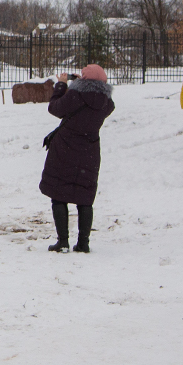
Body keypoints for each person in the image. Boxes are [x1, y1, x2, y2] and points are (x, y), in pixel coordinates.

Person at [40, 64, 115, 253]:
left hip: (65, 148)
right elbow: (99, 100)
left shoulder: (75, 96)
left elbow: (55, 108)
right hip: (89, 151)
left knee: (58, 194)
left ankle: (63, 241)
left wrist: (62, 86)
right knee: (85, 197)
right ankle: (83, 243)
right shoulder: (106, 103)